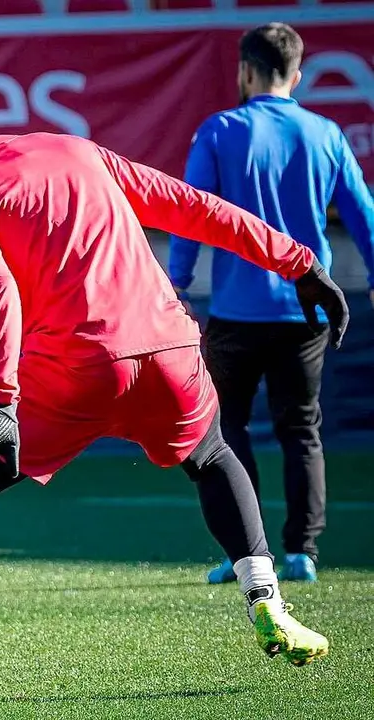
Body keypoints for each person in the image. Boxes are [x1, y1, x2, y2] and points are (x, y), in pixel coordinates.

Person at [0, 72, 345, 712]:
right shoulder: (76, 149)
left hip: (70, 373)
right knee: (213, 457)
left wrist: (3, 401)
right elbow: (193, 207)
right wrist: (299, 263)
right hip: (170, 356)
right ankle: (271, 606)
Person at [168, 22, 374, 586]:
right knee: (302, 430)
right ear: (297, 74)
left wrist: (177, 283)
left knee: (225, 432)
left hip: (236, 313)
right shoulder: (327, 133)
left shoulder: (220, 130)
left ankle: (246, 555)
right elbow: (362, 212)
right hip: (306, 312)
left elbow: (189, 213)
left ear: (246, 71)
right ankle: (303, 552)